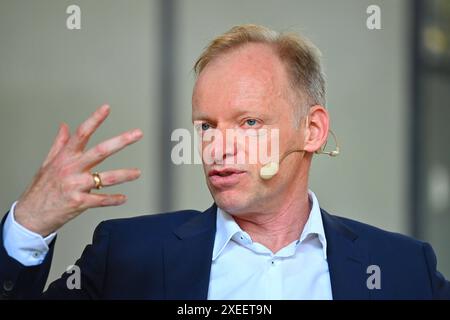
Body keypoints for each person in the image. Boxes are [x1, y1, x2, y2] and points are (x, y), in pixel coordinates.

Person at [1, 24, 449, 300]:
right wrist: (30, 224)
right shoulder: (126, 257)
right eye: (207, 126)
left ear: (312, 131)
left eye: (249, 122)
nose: (218, 147)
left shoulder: (403, 268)